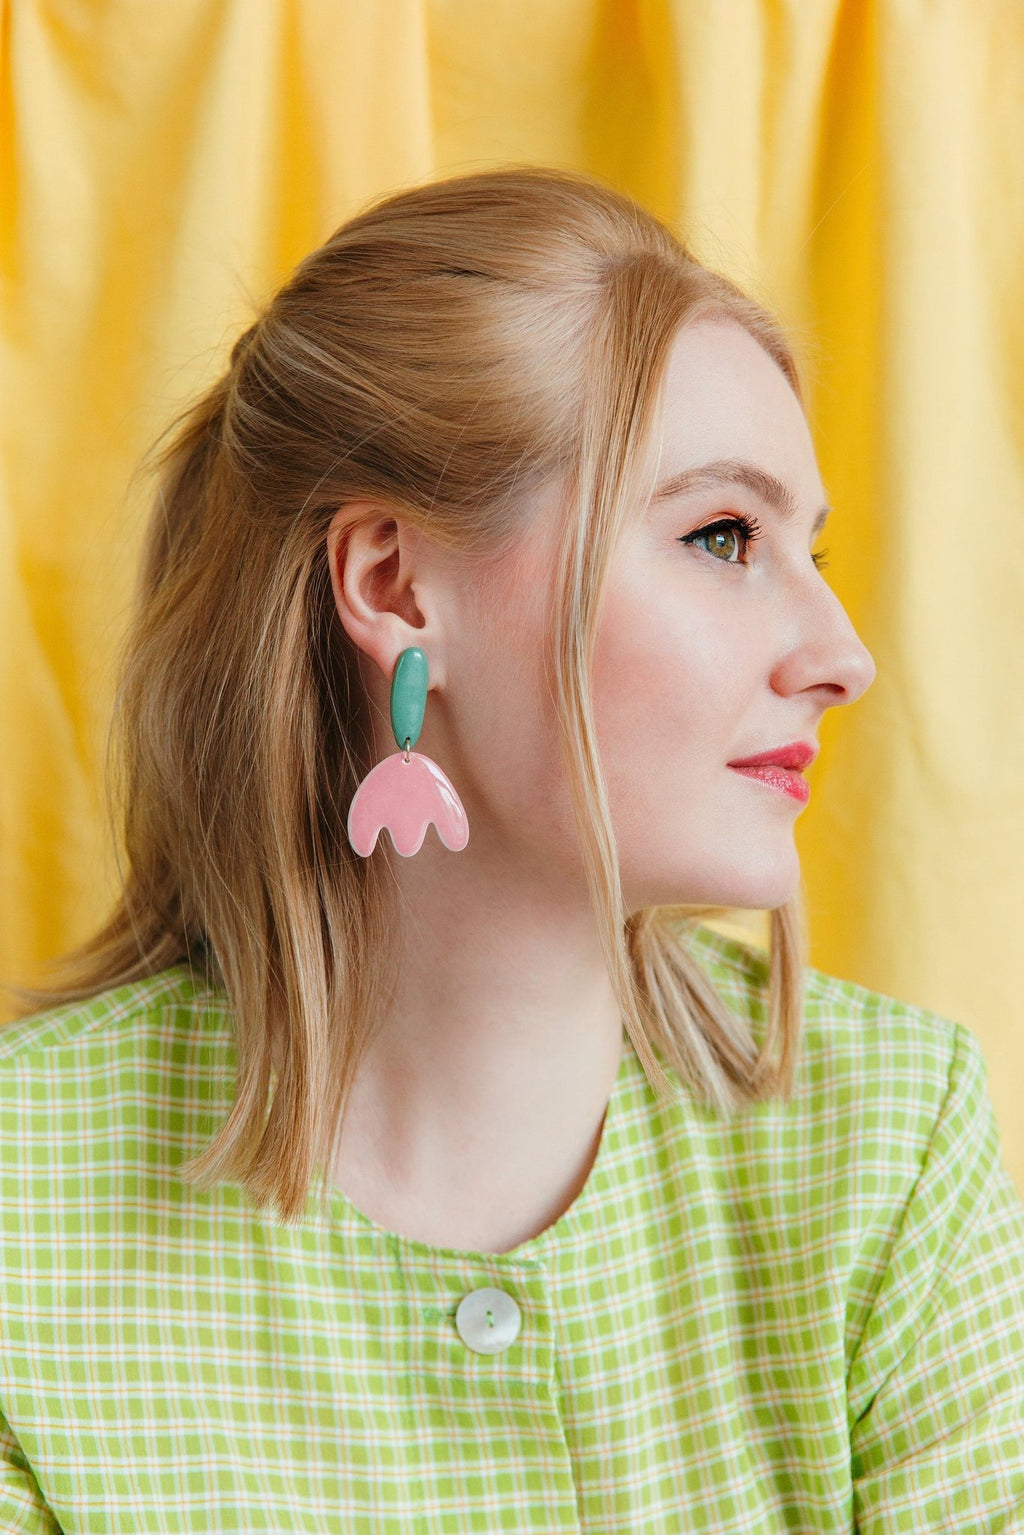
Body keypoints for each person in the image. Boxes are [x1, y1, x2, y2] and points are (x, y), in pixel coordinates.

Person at [1, 165, 1022, 1534]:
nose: (843, 657)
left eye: (809, 551)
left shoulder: (892, 1148)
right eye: (724, 536)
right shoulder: (25, 1202)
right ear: (395, 583)